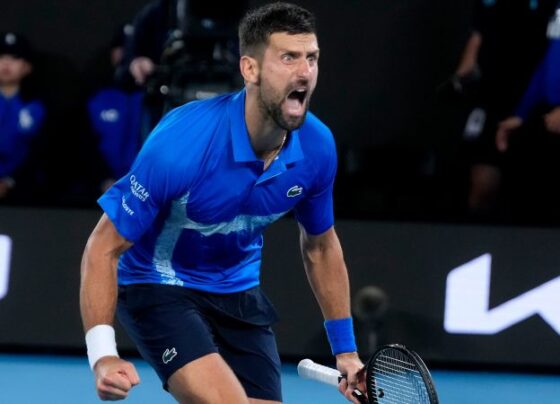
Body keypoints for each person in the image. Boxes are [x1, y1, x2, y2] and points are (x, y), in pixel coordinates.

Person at [80, 3, 365, 403]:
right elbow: (103, 247)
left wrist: (346, 352)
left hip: (238, 291)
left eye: (312, 58)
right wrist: (103, 356)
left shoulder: (317, 148)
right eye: (288, 58)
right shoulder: (181, 144)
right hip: (159, 284)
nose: (305, 72)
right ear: (250, 69)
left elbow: (320, 247)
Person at [86, 24, 143, 193]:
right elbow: (86, 143)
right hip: (100, 192)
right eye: (120, 47)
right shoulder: (95, 96)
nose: (125, 53)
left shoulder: (159, 98)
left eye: (133, 47)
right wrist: (103, 178)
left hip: (146, 192)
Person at [0, 32, 46, 203]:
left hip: (24, 192)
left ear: (27, 66)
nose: (5, 62)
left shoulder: (38, 106)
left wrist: (10, 181)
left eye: (14, 57)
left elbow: (39, 151)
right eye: (1, 56)